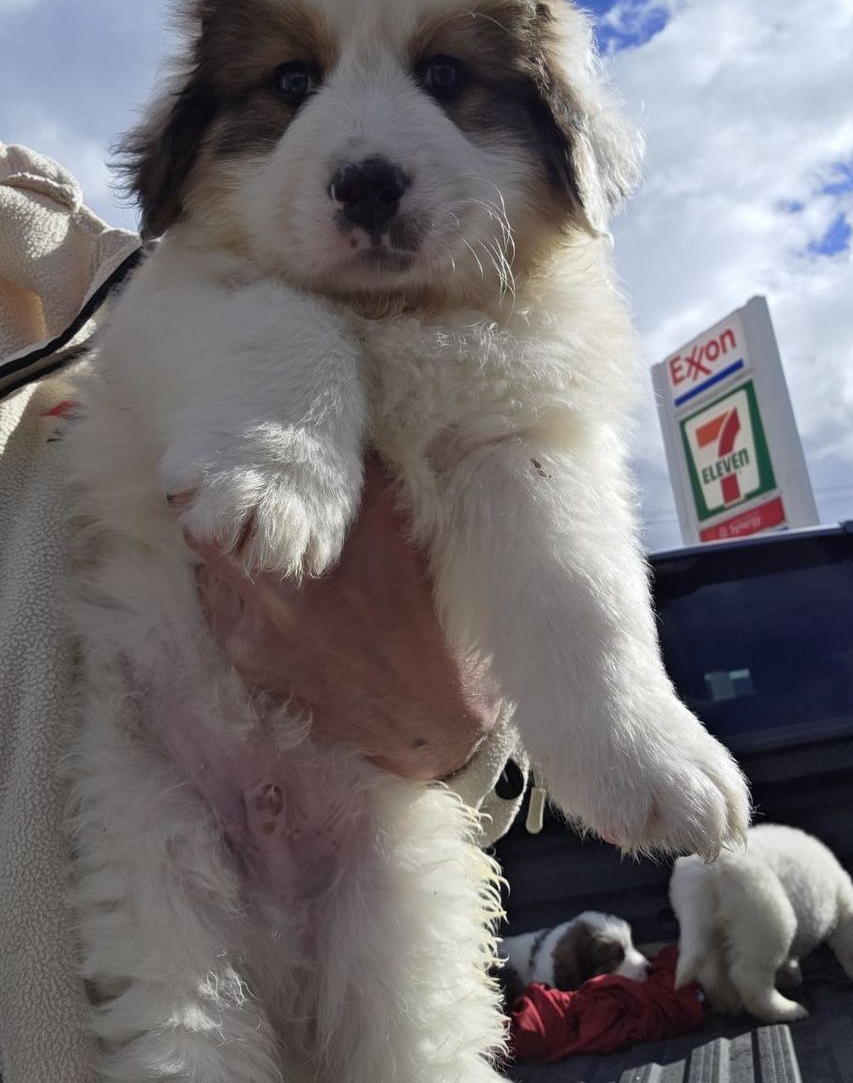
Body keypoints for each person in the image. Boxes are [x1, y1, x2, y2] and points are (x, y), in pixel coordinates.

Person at [0, 142, 527, 1082]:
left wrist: (463, 732)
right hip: (158, 939)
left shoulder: (109, 281)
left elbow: (466, 717)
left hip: (353, 871)